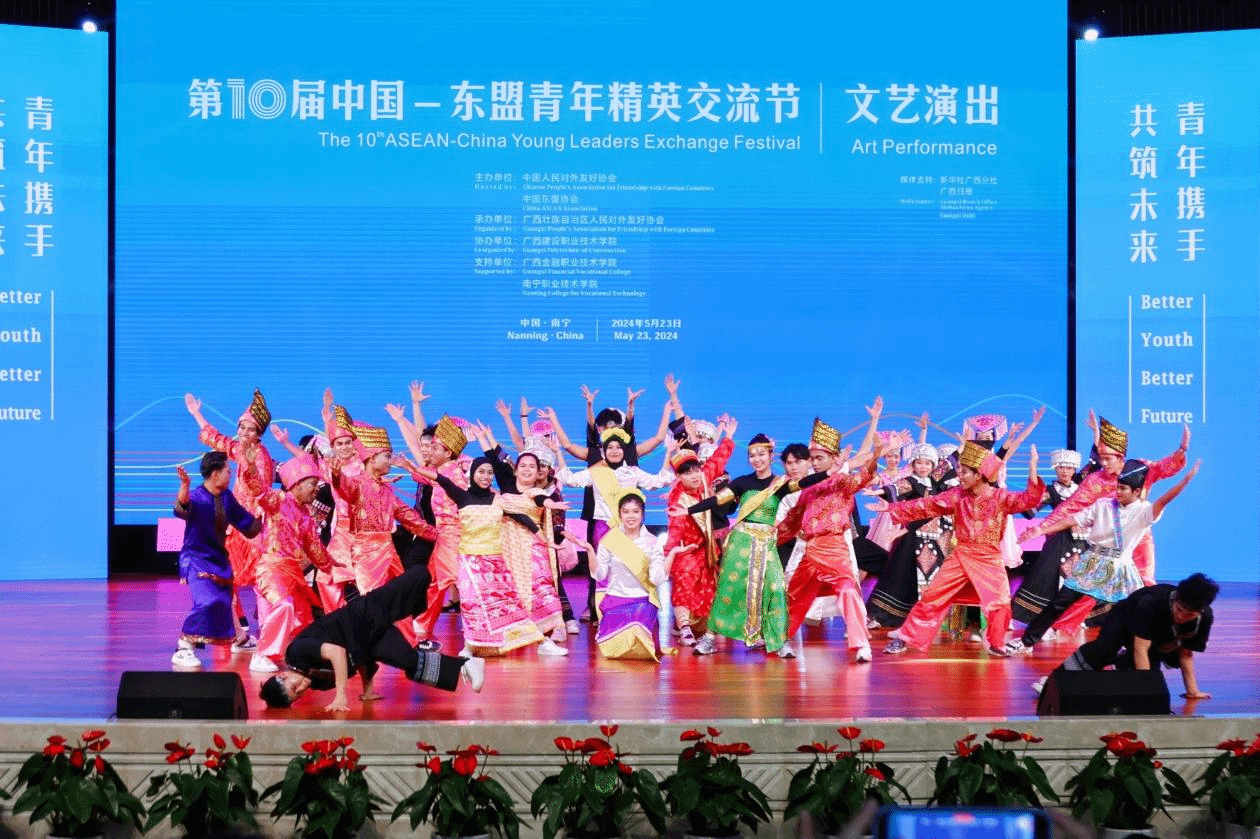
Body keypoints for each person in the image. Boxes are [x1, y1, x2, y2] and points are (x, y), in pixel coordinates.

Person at [1008, 458, 1201, 654]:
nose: (1118, 491)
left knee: (1135, 609)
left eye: (1123, 488)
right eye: (1117, 487)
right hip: (1092, 562)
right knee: (1059, 602)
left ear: (1136, 491)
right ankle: (1025, 642)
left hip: (1119, 567)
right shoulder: (1103, 505)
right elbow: (1072, 519)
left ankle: (1143, 649)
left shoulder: (1143, 512)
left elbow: (1164, 500)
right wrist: (1041, 530)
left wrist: (1186, 480)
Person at [874, 439, 1045, 656]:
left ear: (979, 474)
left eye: (964, 472)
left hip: (989, 557)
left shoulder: (1001, 497)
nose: (959, 476)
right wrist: (892, 507)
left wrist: (1032, 468)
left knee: (1000, 603)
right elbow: (927, 504)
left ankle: (996, 643)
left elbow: (1030, 499)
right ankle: (906, 637)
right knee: (932, 597)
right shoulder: (957, 495)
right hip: (961, 554)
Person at [402, 450, 565, 656]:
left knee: (512, 606)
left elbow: (523, 518)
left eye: (489, 472)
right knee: (472, 607)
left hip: (496, 563)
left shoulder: (498, 500)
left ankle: (542, 642)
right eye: (481, 472)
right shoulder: (462, 496)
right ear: (472, 474)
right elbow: (440, 479)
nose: (486, 476)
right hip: (470, 562)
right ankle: (470, 647)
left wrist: (545, 540)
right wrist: (414, 468)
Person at [259, 565, 486, 712]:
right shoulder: (316, 682)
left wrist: (341, 695)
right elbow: (355, 657)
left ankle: (420, 593)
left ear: (283, 675)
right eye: (297, 695)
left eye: (294, 686)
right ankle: (468, 665)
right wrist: (367, 690)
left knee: (420, 575)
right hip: (370, 642)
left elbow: (338, 652)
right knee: (409, 662)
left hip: (366, 614)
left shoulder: (297, 652)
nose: (301, 689)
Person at [683, 434, 830, 655]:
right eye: (752, 455)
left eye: (761, 454)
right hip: (740, 542)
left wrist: (828, 473)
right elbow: (718, 500)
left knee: (776, 588)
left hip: (767, 543)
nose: (756, 459)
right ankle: (710, 638)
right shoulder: (741, 482)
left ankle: (779, 641)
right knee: (729, 588)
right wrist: (688, 510)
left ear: (771, 456)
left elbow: (803, 483)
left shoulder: (780, 484)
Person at [779, 406, 885, 662]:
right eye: (812, 458)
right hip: (810, 550)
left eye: (819, 458)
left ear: (834, 459)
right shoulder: (808, 489)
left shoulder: (841, 481)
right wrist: (773, 537)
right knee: (794, 595)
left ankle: (861, 644)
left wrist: (876, 455)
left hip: (835, 547)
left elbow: (862, 477)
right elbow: (792, 520)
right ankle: (781, 639)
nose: (815, 463)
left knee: (848, 590)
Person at [184, 390, 275, 650]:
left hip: (254, 528)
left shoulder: (259, 456)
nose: (244, 433)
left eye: (250, 429)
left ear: (258, 434)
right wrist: (197, 414)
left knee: (261, 581)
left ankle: (267, 635)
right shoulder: (242, 450)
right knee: (226, 580)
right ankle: (239, 633)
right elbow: (217, 439)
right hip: (237, 528)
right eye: (241, 427)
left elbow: (260, 491)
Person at [1036, 572, 1219, 700]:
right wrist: (1149, 690)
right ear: (1176, 598)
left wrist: (1193, 691)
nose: (1181, 616)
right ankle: (1053, 681)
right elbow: (1140, 649)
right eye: (1179, 609)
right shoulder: (1150, 602)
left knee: (1141, 677)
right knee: (1105, 650)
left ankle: (1123, 664)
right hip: (1124, 617)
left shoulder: (1204, 619)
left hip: (1157, 634)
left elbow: (1185, 653)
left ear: (1200, 611)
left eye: (1188, 615)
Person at [239, 447, 341, 673]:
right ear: (298, 484)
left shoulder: (306, 515)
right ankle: (261, 654)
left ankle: (298, 656)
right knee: (284, 606)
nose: (316, 489)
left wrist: (332, 565)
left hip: (292, 572)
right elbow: (259, 491)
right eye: (313, 484)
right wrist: (251, 467)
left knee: (304, 618)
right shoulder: (278, 500)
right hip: (272, 568)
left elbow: (314, 547)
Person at [572, 490, 695, 660]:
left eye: (635, 511)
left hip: (642, 603)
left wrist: (672, 554)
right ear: (619, 515)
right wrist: (590, 551)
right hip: (615, 601)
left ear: (642, 515)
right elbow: (599, 575)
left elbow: (656, 579)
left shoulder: (652, 542)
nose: (631, 516)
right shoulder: (610, 540)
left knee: (637, 632)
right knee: (615, 651)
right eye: (626, 511)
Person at [171, 452, 261, 667]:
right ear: (215, 474)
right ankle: (183, 647)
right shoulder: (196, 496)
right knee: (208, 601)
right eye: (227, 471)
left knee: (224, 602)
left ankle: (240, 639)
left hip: (219, 559)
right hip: (196, 558)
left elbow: (246, 524)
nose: (230, 474)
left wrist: (267, 516)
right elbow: (181, 509)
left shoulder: (227, 497)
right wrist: (184, 486)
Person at [663, 416, 736, 646]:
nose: (694, 475)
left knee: (708, 590)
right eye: (687, 473)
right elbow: (675, 531)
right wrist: (669, 555)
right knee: (684, 584)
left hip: (707, 550)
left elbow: (717, 460)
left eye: (696, 470)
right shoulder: (678, 499)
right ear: (678, 476)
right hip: (686, 550)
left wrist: (728, 437)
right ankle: (684, 627)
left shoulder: (703, 479)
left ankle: (703, 627)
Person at [1010, 448, 1087, 629]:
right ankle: (1035, 617)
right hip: (1058, 539)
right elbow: (1030, 510)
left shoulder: (1082, 489)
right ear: (1055, 469)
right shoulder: (1052, 491)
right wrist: (1033, 467)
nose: (1065, 471)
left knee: (1082, 578)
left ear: (1074, 470)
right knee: (1044, 577)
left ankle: (1077, 617)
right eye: (1061, 467)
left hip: (1082, 539)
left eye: (1069, 468)